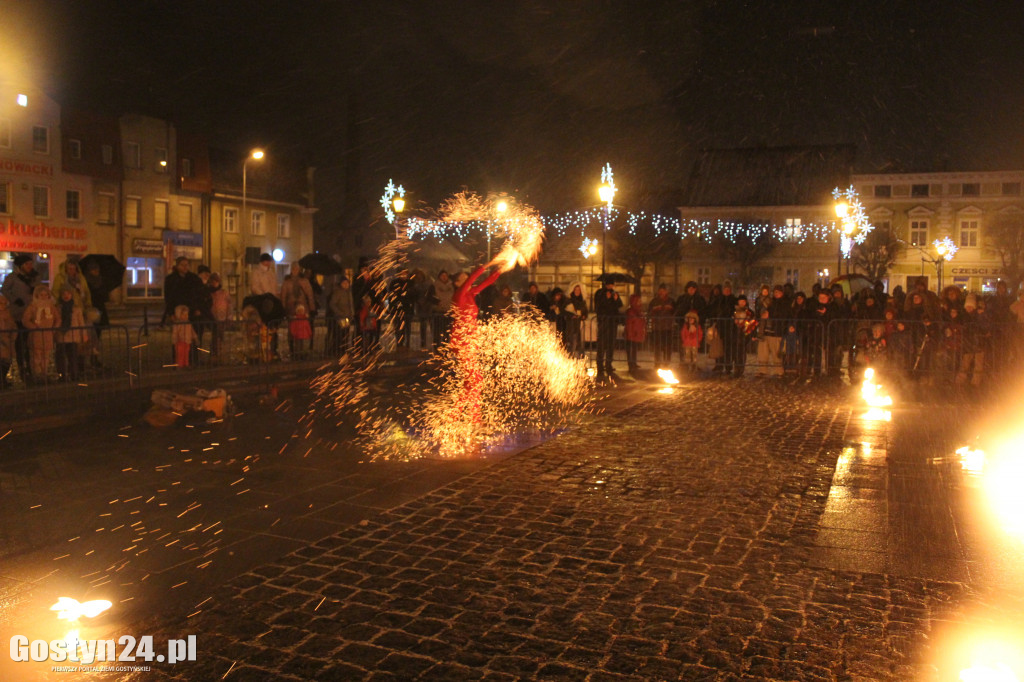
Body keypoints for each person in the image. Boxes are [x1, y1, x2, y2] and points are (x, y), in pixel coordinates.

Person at [1, 254, 38, 380]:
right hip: (18, 313)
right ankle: (21, 366)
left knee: (29, 342)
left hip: (31, 313)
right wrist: (14, 299)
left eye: (30, 264)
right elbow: (5, 290)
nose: (29, 266)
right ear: (21, 265)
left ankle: (30, 366)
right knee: (19, 342)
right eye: (27, 264)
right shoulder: (12, 277)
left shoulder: (33, 277)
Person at [22, 285, 58, 382]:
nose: (43, 297)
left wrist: (53, 329)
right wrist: (33, 327)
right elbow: (25, 320)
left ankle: (44, 374)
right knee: (36, 356)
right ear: (37, 296)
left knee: (46, 357)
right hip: (36, 335)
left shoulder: (51, 307)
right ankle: (36, 374)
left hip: (47, 335)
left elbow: (58, 319)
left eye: (45, 295)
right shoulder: (32, 307)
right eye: (41, 295)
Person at [281, 262, 316, 358]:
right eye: (293, 268)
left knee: (301, 330)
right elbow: (283, 296)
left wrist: (312, 308)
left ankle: (300, 350)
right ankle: (292, 350)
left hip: (303, 309)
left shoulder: (304, 281)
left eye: (297, 268)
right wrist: (283, 308)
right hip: (291, 309)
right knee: (292, 330)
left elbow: (310, 295)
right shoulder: (287, 281)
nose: (295, 270)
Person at [55, 286, 87, 382]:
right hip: (61, 335)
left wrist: (83, 334)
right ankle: (62, 375)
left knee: (73, 356)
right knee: (60, 357)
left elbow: (81, 323)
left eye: (68, 294)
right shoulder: (57, 308)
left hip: (73, 336)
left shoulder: (76, 309)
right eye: (64, 294)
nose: (66, 296)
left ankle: (74, 374)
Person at [594, 279, 623, 377]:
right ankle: (600, 365)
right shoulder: (599, 293)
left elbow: (619, 305)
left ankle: (608, 364)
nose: (611, 286)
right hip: (603, 321)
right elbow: (598, 306)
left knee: (611, 344)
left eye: (612, 284)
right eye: (610, 284)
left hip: (612, 322)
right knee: (602, 343)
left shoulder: (615, 293)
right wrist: (606, 299)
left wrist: (616, 299)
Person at [648, 284, 675, 369]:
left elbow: (675, 311)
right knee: (657, 347)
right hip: (657, 327)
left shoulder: (671, 300)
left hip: (667, 327)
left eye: (663, 290)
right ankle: (657, 363)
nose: (661, 292)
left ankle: (666, 362)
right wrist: (655, 309)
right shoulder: (654, 301)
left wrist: (670, 308)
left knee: (667, 346)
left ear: (666, 291)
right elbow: (649, 311)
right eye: (660, 290)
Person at [208, 273, 233, 362]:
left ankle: (219, 353)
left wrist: (229, 317)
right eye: (213, 281)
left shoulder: (224, 293)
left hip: (222, 317)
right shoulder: (210, 293)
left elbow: (229, 305)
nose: (214, 283)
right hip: (213, 317)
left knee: (220, 335)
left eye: (216, 281)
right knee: (215, 336)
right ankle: (215, 353)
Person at [328, 277, 355, 354]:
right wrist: (339, 312)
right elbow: (332, 304)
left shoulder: (349, 292)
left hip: (347, 317)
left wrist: (352, 313)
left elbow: (351, 304)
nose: (346, 285)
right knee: (341, 334)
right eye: (344, 283)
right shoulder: (338, 292)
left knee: (346, 333)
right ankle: (339, 349)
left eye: (347, 283)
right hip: (341, 317)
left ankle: (344, 349)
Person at [429, 270, 455, 349]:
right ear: (439, 277)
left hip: (448, 312)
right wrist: (437, 302)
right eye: (442, 276)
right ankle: (437, 348)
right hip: (438, 312)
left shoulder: (452, 286)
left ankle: (445, 347)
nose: (444, 277)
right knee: (437, 332)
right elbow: (429, 297)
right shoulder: (434, 285)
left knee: (447, 332)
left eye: (445, 275)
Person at [171, 304, 198, 368]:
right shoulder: (177, 323)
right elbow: (175, 333)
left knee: (186, 353)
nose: (186, 316)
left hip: (187, 341)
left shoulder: (188, 322)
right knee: (180, 354)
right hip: (180, 341)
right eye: (184, 315)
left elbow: (192, 331)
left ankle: (186, 364)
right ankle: (179, 365)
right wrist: (174, 340)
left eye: (187, 314)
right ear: (179, 315)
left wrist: (195, 337)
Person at [566, 283, 588, 357]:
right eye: (576, 290)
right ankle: (570, 358)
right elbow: (565, 311)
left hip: (579, 324)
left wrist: (584, 316)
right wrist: (571, 315)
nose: (577, 291)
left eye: (579, 290)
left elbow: (585, 311)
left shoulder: (582, 301)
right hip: (571, 324)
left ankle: (581, 359)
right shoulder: (569, 300)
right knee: (571, 342)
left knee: (579, 342)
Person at [625, 293, 646, 370]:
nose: (640, 302)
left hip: (636, 333)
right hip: (632, 333)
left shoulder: (638, 310)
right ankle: (631, 364)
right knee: (630, 349)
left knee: (634, 349)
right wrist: (630, 333)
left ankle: (633, 363)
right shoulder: (631, 311)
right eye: (638, 301)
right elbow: (629, 323)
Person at [0, 297, 17, 389]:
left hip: (7, 340)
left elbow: (13, 325)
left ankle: (3, 379)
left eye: (4, 303)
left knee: (6, 360)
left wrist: (13, 335)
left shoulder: (8, 314)